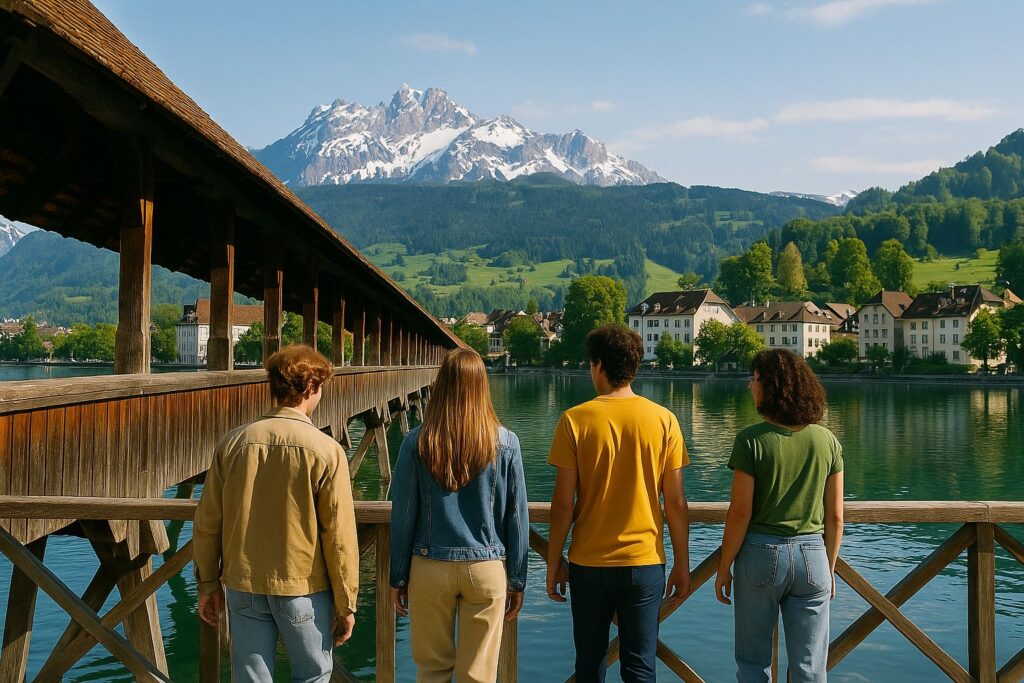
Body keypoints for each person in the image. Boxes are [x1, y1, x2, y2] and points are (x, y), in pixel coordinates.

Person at [194, 344, 359, 683]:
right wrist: (346, 603)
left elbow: (208, 522)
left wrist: (208, 583)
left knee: (251, 678)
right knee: (312, 676)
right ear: (310, 386)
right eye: (321, 387)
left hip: (243, 585)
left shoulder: (234, 442)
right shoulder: (327, 451)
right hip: (303, 586)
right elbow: (339, 537)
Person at [546, 324, 691, 683]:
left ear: (597, 365)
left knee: (589, 664)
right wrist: (683, 564)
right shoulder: (664, 420)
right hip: (644, 563)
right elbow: (675, 502)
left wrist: (553, 562)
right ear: (635, 366)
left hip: (588, 563)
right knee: (640, 666)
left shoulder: (574, 419)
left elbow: (564, 504)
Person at [390, 348, 529, 683]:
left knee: (433, 669)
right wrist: (517, 579)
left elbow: (403, 513)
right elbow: (517, 517)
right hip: (486, 568)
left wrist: (398, 576)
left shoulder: (417, 441)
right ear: (482, 386)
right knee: (478, 676)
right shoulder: (506, 442)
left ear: (442, 384)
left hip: (429, 565)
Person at [714, 349, 844, 683]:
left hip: (760, 556)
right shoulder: (827, 440)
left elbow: (740, 513)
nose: (750, 388)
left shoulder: (751, 441)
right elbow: (836, 517)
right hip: (814, 556)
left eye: (755, 380)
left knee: (753, 663)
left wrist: (724, 564)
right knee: (810, 667)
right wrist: (828, 568)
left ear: (770, 387)